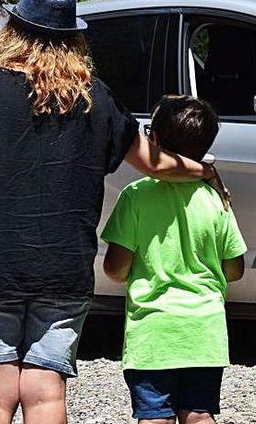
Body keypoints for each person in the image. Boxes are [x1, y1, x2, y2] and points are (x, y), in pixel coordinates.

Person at [0, 0, 226, 424]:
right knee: (46, 393)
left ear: (15, 31)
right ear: (74, 39)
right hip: (63, 267)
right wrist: (204, 169)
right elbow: (155, 164)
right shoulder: (95, 99)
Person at [102, 95, 247, 424]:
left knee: (155, 416)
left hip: (153, 331)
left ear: (155, 142)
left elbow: (115, 268)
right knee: (198, 414)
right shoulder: (216, 199)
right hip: (205, 330)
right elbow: (235, 268)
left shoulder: (136, 196)